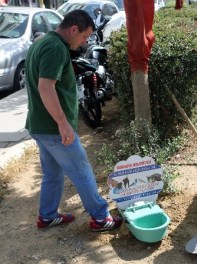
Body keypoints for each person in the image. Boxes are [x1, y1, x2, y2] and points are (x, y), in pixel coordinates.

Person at [25, 10, 123, 231]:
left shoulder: (42, 42)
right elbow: (45, 86)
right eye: (85, 36)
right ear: (74, 29)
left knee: (52, 173)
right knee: (82, 170)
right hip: (52, 128)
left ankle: (47, 216)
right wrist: (62, 122)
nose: (84, 42)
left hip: (39, 125)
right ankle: (100, 218)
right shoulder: (56, 48)